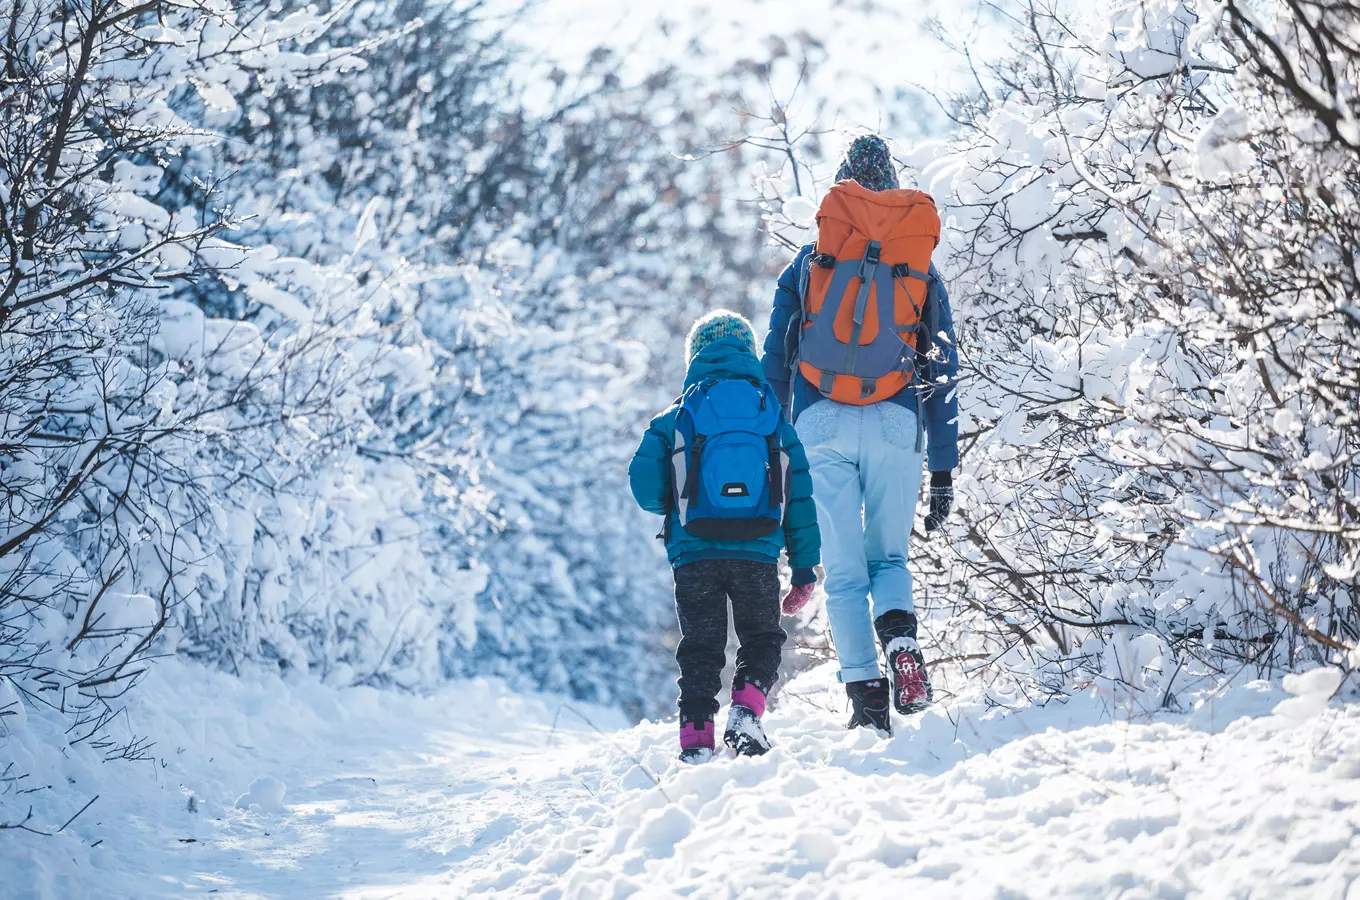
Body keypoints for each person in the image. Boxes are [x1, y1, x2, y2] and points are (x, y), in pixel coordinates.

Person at [761, 134, 959, 735]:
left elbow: (776, 359)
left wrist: (776, 452)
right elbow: (943, 368)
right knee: (890, 558)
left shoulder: (809, 261)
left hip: (821, 422)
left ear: (842, 188)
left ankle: (868, 702)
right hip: (898, 422)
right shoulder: (918, 264)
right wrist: (943, 466)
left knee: (844, 574)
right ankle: (901, 643)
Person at [630, 310, 820, 762]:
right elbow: (800, 498)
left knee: (700, 648)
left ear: (694, 355)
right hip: (758, 550)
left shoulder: (676, 417)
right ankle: (746, 711)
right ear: (749, 353)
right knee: (762, 637)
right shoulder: (772, 415)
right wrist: (804, 568)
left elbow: (643, 486)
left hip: (695, 552)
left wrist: (676, 501)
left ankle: (695, 739)